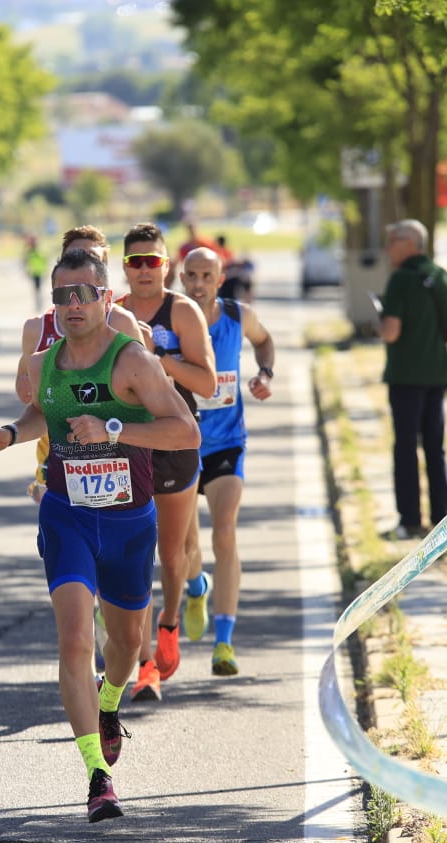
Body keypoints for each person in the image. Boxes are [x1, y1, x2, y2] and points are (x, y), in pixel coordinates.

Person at [0, 247, 199, 823]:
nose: (72, 305)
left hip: (129, 520)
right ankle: (98, 777)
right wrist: (8, 433)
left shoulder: (134, 363)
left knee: (124, 645)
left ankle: (108, 701)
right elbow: (40, 417)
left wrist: (114, 427)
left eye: (83, 294)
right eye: (61, 296)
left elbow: (185, 431)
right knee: (75, 640)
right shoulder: (44, 363)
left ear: (105, 298)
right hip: (66, 513)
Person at [118, 222, 216, 700]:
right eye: (134, 262)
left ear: (166, 266)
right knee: (130, 554)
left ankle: (170, 622)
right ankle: (143, 663)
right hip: (126, 443)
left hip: (176, 440)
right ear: (123, 267)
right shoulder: (111, 312)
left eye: (151, 262)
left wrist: (160, 358)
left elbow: (208, 382)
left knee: (171, 554)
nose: (143, 270)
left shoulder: (183, 311)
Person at [178, 247, 276, 676]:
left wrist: (264, 374)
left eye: (206, 275)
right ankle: (196, 586)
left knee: (224, 532)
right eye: (191, 275)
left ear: (220, 280)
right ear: (181, 279)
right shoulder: (168, 321)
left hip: (225, 444)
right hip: (179, 445)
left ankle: (224, 643)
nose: (198, 283)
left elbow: (265, 340)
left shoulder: (238, 316)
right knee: (185, 548)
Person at [14, 226, 147, 504]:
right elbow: (27, 394)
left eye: (92, 259)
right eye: (76, 257)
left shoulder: (121, 322)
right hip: (59, 457)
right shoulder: (38, 328)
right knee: (63, 538)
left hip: (116, 460)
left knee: (116, 541)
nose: (83, 263)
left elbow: (146, 398)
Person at [379, 219, 447, 540]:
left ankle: (410, 520)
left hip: (405, 375)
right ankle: (442, 518)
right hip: (438, 375)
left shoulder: (400, 280)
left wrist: (378, 326)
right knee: (435, 447)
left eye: (392, 241)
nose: (387, 248)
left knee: (405, 447)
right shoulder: (442, 276)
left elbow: (391, 331)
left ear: (409, 243)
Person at [24, 234, 45, 313]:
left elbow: (44, 260)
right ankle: (38, 304)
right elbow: (26, 261)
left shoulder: (38, 250)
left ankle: (39, 304)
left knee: (38, 289)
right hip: (34, 272)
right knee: (36, 289)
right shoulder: (29, 251)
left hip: (39, 272)